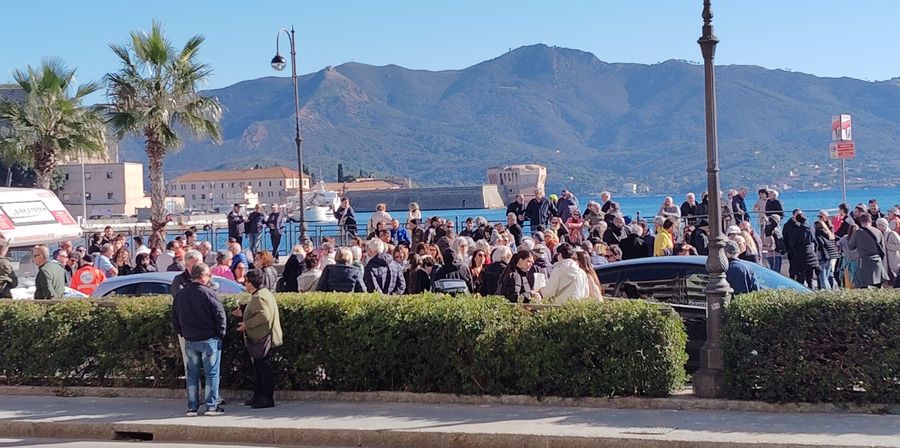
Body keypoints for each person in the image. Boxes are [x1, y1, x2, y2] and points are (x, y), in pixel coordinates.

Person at [172, 263, 226, 416]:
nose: (210, 278)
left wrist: (182, 332)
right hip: (209, 339)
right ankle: (211, 406)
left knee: (193, 375)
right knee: (212, 374)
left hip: (190, 339)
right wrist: (221, 334)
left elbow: (175, 317)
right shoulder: (208, 293)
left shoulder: (181, 294)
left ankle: (192, 407)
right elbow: (220, 315)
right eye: (209, 275)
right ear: (203, 276)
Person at [235, 269, 283, 409]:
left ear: (251, 283)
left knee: (264, 369)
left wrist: (246, 325)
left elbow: (264, 316)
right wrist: (244, 312)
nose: (245, 284)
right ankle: (259, 395)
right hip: (262, 337)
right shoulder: (262, 293)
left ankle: (267, 397)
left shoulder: (259, 297)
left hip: (262, 338)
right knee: (260, 369)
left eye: (246, 281)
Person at [848, 213, 889, 288]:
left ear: (860, 221)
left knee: (863, 286)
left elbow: (850, 247)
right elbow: (882, 248)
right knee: (878, 285)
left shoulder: (858, 233)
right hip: (877, 261)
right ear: (870, 221)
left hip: (864, 261)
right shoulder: (878, 232)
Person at [814, 220, 839, 289]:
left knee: (822, 278)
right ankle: (829, 292)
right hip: (831, 256)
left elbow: (820, 243)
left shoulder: (818, 233)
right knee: (826, 277)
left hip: (823, 256)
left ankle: (825, 293)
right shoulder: (828, 233)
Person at [876, 217, 900, 282]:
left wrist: (888, 246)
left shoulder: (892, 234)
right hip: (887, 263)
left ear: (883, 225)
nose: (877, 226)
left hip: (894, 261)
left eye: (879, 225)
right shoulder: (881, 234)